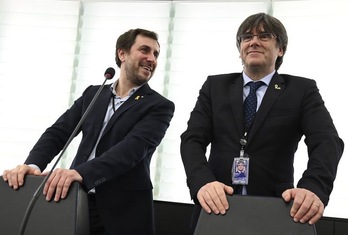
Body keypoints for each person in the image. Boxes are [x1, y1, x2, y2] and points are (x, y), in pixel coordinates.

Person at [180, 12, 344, 232]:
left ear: (281, 49)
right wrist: (202, 182)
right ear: (240, 49)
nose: (254, 42)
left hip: (277, 209)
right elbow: (192, 139)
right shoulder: (214, 86)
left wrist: (314, 187)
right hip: (216, 206)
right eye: (246, 37)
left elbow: (327, 141)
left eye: (264, 36)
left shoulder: (302, 90)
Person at [2, 28, 175, 235]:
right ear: (122, 54)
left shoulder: (159, 105)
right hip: (73, 201)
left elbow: (133, 149)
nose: (151, 59)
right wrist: (33, 165)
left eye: (155, 54)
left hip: (123, 213)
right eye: (145, 50)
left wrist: (81, 173)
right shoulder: (94, 94)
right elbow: (58, 132)